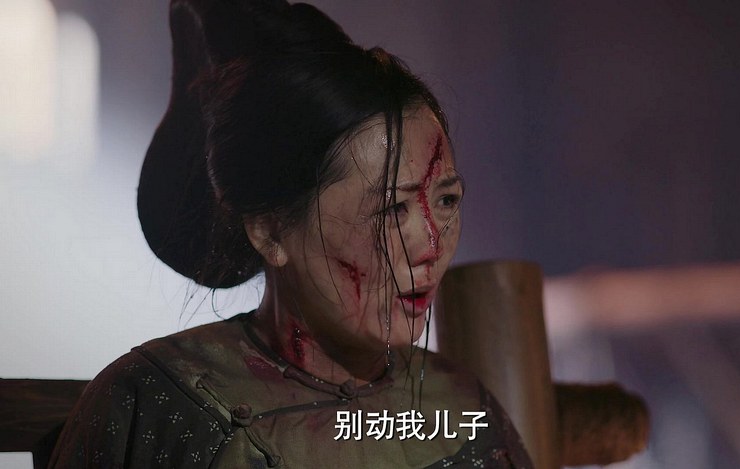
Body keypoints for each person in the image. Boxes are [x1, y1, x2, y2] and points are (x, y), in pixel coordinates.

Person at [49, 1, 533, 467]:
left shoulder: (462, 409)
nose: (431, 245)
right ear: (271, 229)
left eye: (446, 201)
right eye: (391, 209)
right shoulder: (162, 402)